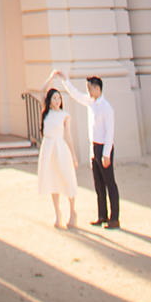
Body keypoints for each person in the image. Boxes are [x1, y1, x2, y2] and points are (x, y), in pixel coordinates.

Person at [36, 70, 95, 229]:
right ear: (49, 100)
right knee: (52, 180)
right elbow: (42, 90)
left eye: (59, 98)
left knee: (67, 179)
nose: (57, 100)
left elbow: (68, 136)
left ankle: (72, 212)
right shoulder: (46, 112)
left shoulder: (64, 115)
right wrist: (51, 77)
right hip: (48, 148)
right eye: (54, 98)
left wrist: (74, 155)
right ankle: (57, 213)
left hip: (60, 149)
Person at [79, 74, 119, 228]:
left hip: (104, 148)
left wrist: (106, 154)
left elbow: (110, 132)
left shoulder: (106, 107)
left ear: (97, 88)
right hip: (94, 147)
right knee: (98, 184)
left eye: (89, 88)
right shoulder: (92, 104)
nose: (88, 91)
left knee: (110, 184)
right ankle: (102, 215)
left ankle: (114, 218)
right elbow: (76, 95)